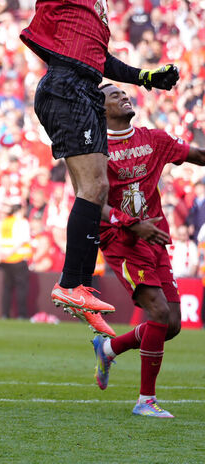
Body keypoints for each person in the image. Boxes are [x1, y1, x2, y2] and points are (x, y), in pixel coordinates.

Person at [18, 0, 180, 337]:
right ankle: (72, 282)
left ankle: (77, 285)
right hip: (66, 86)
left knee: (94, 186)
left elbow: (99, 60)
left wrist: (146, 77)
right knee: (94, 186)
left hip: (79, 83)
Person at [91, 84, 205, 419]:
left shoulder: (153, 139)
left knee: (170, 325)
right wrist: (128, 223)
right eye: (114, 96)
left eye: (125, 94)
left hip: (154, 236)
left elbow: (197, 156)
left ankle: (109, 348)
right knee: (157, 312)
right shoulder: (95, 150)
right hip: (120, 239)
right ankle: (146, 401)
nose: (123, 97)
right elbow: (92, 201)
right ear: (101, 109)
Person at [0, 200, 32, 319]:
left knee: (7, 288)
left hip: (5, 260)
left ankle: (5, 314)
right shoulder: (22, 222)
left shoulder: (3, 222)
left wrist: (2, 254)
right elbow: (23, 240)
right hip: (18, 258)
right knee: (21, 288)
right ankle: (21, 314)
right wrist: (11, 252)